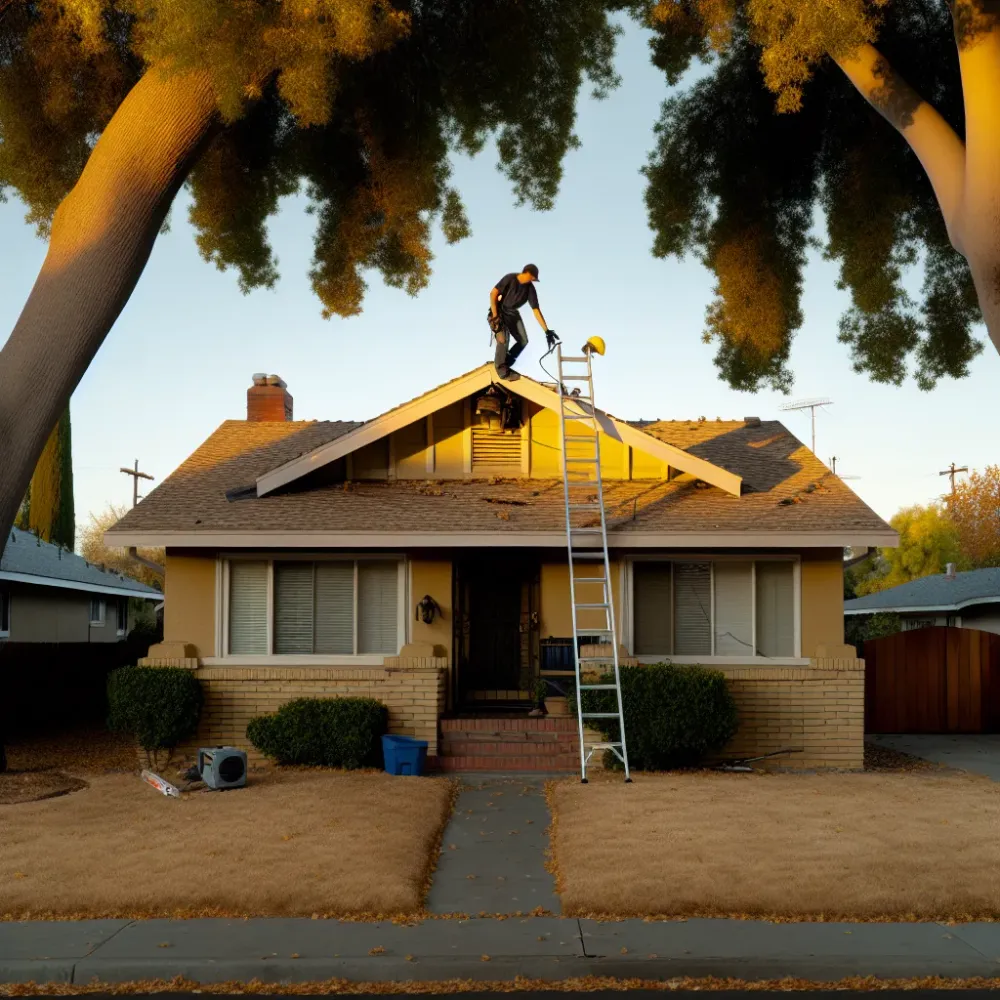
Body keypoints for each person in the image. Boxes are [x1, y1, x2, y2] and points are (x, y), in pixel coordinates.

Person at [488, 264, 557, 380]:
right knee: (503, 339)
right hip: (498, 311)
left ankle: (506, 362)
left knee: (523, 340)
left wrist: (547, 331)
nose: (533, 281)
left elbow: (536, 310)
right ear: (529, 274)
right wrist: (495, 316)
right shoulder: (509, 278)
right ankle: (501, 371)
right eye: (533, 278)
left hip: (512, 313)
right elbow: (493, 294)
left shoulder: (530, 289)